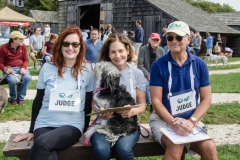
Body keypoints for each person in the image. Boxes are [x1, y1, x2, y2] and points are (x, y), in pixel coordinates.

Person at [12, 26, 94, 160]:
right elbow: (38, 100)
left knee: (43, 143)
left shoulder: (87, 70)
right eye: (66, 43)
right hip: (44, 123)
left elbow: (88, 101)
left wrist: (85, 128)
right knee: (47, 152)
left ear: (80, 47)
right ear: (60, 45)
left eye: (74, 44)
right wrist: (31, 129)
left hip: (71, 125)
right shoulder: (48, 68)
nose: (70, 48)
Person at [149, 21, 218, 160]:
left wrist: (192, 121)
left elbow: (206, 99)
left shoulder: (200, 65)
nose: (174, 41)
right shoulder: (158, 65)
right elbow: (156, 100)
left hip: (191, 120)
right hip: (163, 120)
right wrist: (173, 123)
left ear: (189, 39)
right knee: (176, 146)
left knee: (209, 147)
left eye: (179, 37)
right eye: (170, 38)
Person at [90, 33, 146, 160]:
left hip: (129, 124)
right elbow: (93, 103)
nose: (118, 55)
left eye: (121, 51)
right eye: (113, 52)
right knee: (101, 151)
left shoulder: (137, 73)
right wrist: (100, 111)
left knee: (124, 150)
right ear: (108, 54)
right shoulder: (100, 72)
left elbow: (143, 105)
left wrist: (133, 111)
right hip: (103, 124)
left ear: (127, 50)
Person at [0, 31, 32, 105]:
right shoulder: (3, 48)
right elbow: (0, 62)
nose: (23, 40)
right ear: (14, 40)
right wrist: (5, 69)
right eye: (20, 39)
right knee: (13, 80)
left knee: (28, 77)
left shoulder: (23, 46)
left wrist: (23, 67)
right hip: (9, 69)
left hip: (21, 68)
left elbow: (26, 60)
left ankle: (21, 97)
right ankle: (13, 98)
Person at [137, 33, 164, 110]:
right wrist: (148, 75)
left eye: (157, 40)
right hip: (146, 74)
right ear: (149, 40)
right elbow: (140, 65)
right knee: (146, 84)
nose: (155, 41)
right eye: (153, 39)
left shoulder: (161, 50)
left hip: (157, 74)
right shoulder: (143, 49)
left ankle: (159, 102)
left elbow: (162, 65)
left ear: (159, 41)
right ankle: (151, 104)